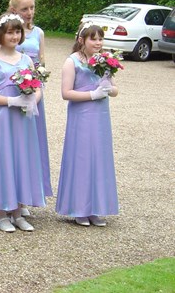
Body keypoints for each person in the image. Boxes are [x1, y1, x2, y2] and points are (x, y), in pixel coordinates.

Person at [0, 13, 46, 232]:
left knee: (22, 159)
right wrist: (12, 100)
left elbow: (37, 88)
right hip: (4, 117)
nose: (14, 36)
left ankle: (19, 210)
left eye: (18, 32)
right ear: (0, 34)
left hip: (24, 119)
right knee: (4, 160)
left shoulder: (26, 59)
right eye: (10, 32)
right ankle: (0, 213)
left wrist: (31, 100)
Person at [56, 23, 119, 227]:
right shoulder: (72, 61)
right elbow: (66, 93)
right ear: (82, 40)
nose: (98, 42)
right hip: (81, 115)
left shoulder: (105, 61)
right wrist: (92, 94)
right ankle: (79, 208)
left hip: (101, 116)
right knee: (82, 158)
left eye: (100, 38)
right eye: (94, 38)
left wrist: (109, 88)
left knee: (98, 159)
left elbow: (116, 89)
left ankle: (96, 208)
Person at [8, 0, 52, 212]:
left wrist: (37, 93)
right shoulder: (8, 31)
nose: (29, 12)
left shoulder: (39, 33)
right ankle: (12, 195)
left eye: (32, 7)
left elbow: (41, 66)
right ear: (14, 9)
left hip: (34, 95)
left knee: (32, 144)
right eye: (24, 9)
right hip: (13, 93)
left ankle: (27, 194)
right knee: (15, 144)